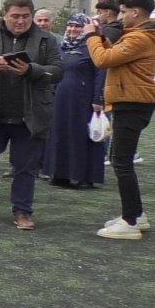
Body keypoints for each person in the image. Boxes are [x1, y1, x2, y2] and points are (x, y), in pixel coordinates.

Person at [0, 0, 63, 230]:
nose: (20, 21)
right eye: (15, 16)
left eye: (26, 16)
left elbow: (58, 71)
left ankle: (22, 210)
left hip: (30, 116)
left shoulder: (46, 39)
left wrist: (32, 70)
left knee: (25, 167)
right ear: (4, 15)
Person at [85, 0, 155, 239]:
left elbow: (103, 59)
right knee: (119, 159)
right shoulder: (141, 36)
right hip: (132, 100)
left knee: (122, 162)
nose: (121, 17)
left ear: (136, 13)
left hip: (132, 102)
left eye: (124, 12)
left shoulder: (139, 39)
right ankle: (135, 214)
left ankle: (131, 221)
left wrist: (93, 36)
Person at [44, 13, 105, 189]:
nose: (72, 29)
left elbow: (101, 73)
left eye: (77, 26)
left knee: (78, 136)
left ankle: (80, 175)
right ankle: (58, 173)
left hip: (82, 100)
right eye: (70, 26)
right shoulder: (62, 47)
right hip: (60, 99)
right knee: (59, 135)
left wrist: (98, 99)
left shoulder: (92, 46)